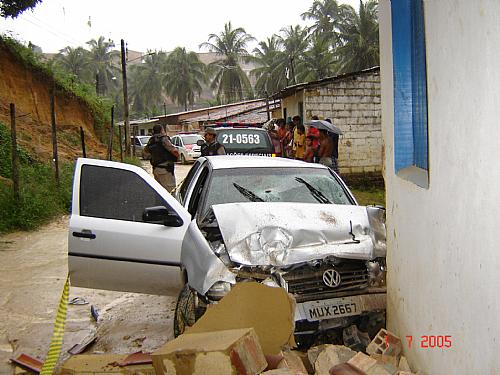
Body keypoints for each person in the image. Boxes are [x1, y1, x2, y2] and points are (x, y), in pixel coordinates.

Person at [144, 124, 179, 192]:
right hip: (165, 170)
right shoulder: (163, 139)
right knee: (170, 192)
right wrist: (177, 157)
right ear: (161, 130)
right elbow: (174, 151)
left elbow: (145, 152)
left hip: (156, 169)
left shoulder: (151, 140)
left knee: (160, 192)